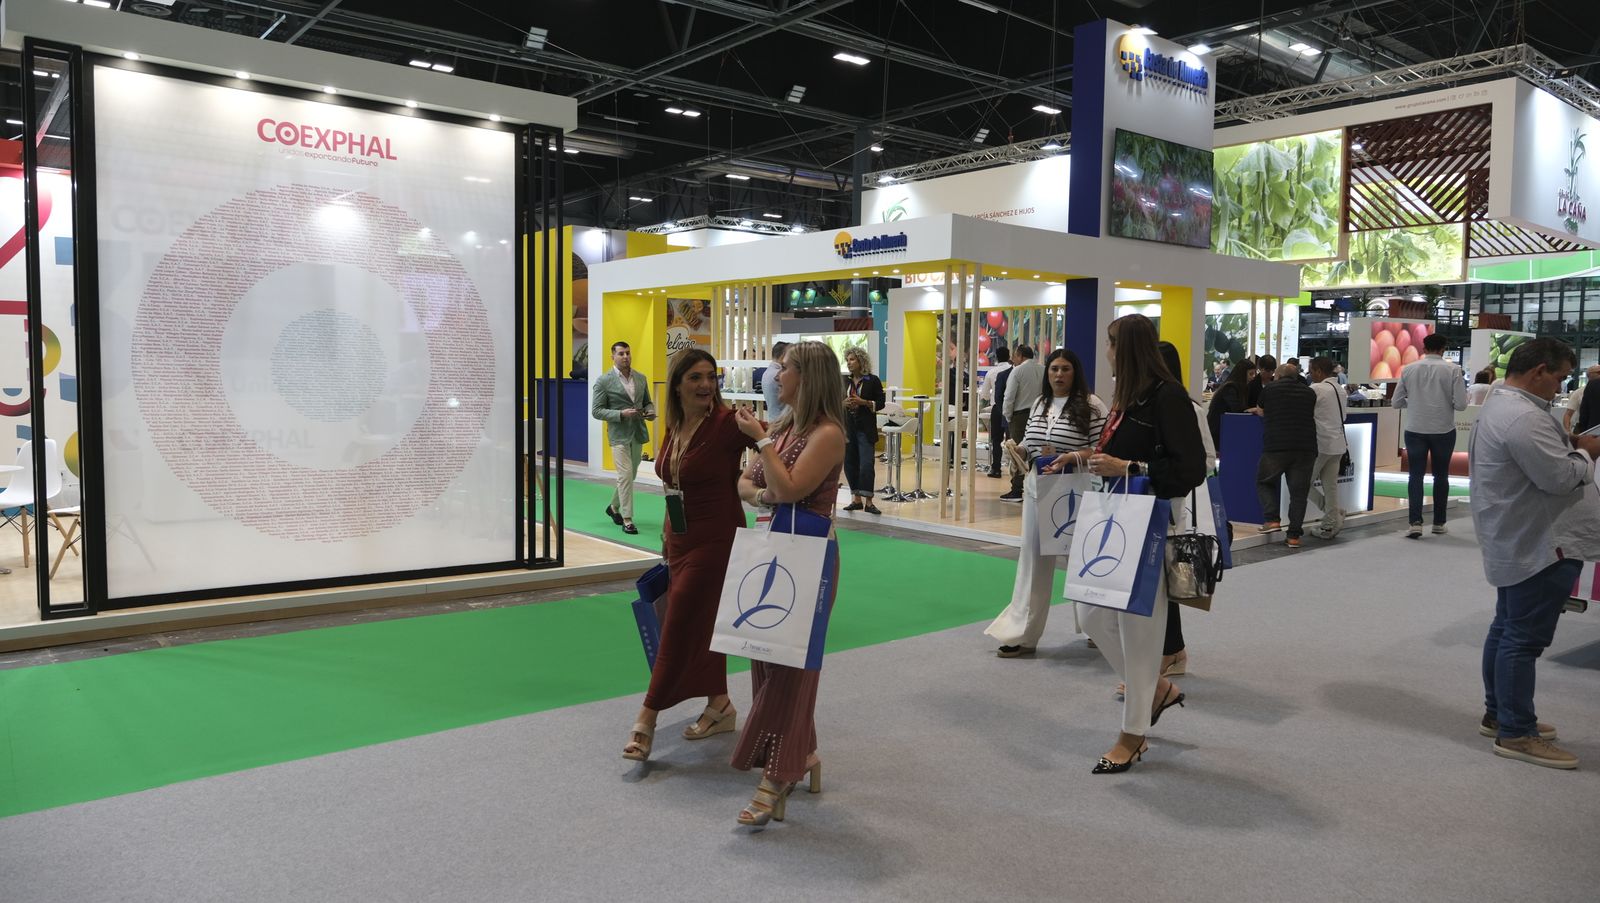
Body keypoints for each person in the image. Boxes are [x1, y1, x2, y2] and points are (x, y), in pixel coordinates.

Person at [1080, 314, 1205, 774]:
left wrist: (1129, 466)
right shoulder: (1127, 398)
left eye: (1111, 343)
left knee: (1140, 632)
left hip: (1152, 525)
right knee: (1090, 614)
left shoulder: (1168, 397)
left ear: (1127, 347)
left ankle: (1132, 735)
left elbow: (1189, 469)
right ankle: (1155, 691)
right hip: (1116, 521)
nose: (1107, 351)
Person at [730, 341, 846, 825]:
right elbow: (746, 484)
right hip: (771, 548)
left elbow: (792, 487)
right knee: (764, 653)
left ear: (807, 377)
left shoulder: (829, 433)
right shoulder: (784, 426)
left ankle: (779, 773)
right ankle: (806, 753)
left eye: (785, 370)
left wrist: (760, 446)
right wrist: (766, 489)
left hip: (810, 554)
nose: (777, 378)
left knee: (794, 665)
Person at [1469, 338, 1600, 769]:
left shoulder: (1502, 405)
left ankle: (1501, 713)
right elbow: (1561, 478)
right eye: (1560, 377)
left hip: (1520, 536)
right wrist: (1585, 452)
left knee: (1507, 629)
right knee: (1522, 640)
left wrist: (1568, 444)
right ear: (1539, 371)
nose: (1562, 385)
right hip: (1539, 542)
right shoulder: (1523, 417)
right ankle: (1517, 732)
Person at [621, 350, 752, 763]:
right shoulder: (676, 425)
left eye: (710, 377)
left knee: (677, 623)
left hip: (718, 537)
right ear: (677, 384)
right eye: (695, 377)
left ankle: (647, 717)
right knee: (702, 623)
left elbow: (776, 446)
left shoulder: (729, 425)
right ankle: (721, 704)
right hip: (680, 538)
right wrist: (665, 527)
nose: (705, 385)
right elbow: (672, 481)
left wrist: (764, 485)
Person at [984, 348, 1108, 657]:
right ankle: (1023, 634)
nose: (1058, 374)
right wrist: (1020, 451)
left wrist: (1073, 456)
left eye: (1065, 368)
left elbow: (1102, 449)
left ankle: (1099, 626)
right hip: (1039, 487)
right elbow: (1031, 440)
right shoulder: (1040, 403)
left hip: (1078, 490)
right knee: (1033, 561)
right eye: (1054, 369)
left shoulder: (1092, 406)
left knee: (1085, 559)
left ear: (1075, 372)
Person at [1392, 334, 1467, 538]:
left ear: (1424, 348)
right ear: (1444, 348)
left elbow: (1396, 402)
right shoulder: (1453, 370)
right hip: (1443, 429)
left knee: (1415, 476)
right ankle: (1439, 523)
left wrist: (1415, 403)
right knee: (1440, 476)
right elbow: (1461, 404)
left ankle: (1415, 522)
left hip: (1415, 428)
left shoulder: (1409, 369)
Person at [591, 341, 655, 535]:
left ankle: (612, 507)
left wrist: (650, 411)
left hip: (637, 432)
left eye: (628, 353)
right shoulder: (604, 381)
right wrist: (620, 414)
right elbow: (596, 411)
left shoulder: (641, 378)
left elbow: (647, 402)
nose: (625, 356)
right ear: (613, 357)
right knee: (625, 475)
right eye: (621, 353)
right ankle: (627, 519)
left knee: (631, 475)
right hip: (618, 434)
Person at [1253, 364, 1318, 548]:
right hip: (1306, 447)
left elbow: (1261, 410)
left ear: (1278, 376)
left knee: (1264, 481)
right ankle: (1294, 537)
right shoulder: (1309, 392)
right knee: (1299, 494)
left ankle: (1272, 520)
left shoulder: (1270, 389)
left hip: (1277, 445)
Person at [1307, 356, 1349, 539]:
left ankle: (1333, 515)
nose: (1309, 374)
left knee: (1301, 483)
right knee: (1330, 486)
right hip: (1338, 443)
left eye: (1310, 370)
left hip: (1320, 443)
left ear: (1317, 370)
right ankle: (1331, 522)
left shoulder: (1316, 389)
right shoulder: (1339, 389)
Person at [842, 346, 886, 515]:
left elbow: (880, 403)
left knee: (867, 464)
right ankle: (856, 499)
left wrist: (864, 402)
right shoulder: (845, 381)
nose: (849, 363)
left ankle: (869, 501)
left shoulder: (872, 380)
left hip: (865, 428)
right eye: (847, 360)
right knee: (850, 464)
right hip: (848, 427)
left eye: (852, 359)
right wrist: (842, 403)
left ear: (861, 361)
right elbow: (836, 401)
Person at [1000, 344, 1043, 502]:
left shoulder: (1017, 371)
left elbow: (1009, 396)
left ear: (1020, 356)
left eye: (1015, 356)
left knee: (1017, 452)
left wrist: (1008, 416)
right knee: (1037, 451)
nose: (1013, 360)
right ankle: (1036, 487)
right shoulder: (1043, 369)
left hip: (1020, 416)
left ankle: (1017, 489)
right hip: (1040, 414)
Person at [1206, 358, 1257, 451]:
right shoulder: (1230, 388)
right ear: (1242, 373)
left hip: (1224, 430)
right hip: (1218, 431)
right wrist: (1250, 410)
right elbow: (1237, 409)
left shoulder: (1239, 387)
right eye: (1251, 374)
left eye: (1254, 374)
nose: (1253, 377)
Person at [980, 347, 1013, 478]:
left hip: (997, 408)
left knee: (996, 439)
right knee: (1012, 439)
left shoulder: (991, 373)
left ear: (996, 357)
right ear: (1009, 356)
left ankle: (996, 468)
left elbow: (985, 395)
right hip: (1012, 409)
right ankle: (1014, 469)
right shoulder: (1014, 371)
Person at [1561, 363, 1600, 433]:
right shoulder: (1579, 392)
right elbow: (1568, 414)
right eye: (1598, 372)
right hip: (1584, 428)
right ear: (1590, 375)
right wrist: (1568, 431)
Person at [762, 341, 790, 420]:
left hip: (774, 418)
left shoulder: (767, 372)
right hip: (782, 420)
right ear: (783, 355)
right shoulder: (779, 374)